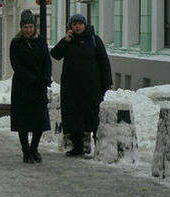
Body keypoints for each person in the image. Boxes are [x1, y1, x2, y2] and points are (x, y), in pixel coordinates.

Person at [50, 13, 112, 156]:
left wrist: (106, 82)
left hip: (91, 87)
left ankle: (99, 146)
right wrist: (65, 41)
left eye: (80, 23)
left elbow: (104, 61)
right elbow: (55, 54)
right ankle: (77, 147)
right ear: (70, 26)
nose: (77, 26)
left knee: (92, 116)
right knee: (73, 118)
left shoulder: (94, 40)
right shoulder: (68, 41)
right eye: (74, 24)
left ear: (85, 25)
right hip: (72, 88)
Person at [9, 10, 52, 163]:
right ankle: (25, 150)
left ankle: (34, 148)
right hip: (22, 86)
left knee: (39, 121)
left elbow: (47, 61)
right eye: (25, 26)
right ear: (21, 27)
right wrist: (30, 78)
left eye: (31, 26)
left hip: (39, 87)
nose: (28, 30)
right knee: (23, 122)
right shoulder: (16, 43)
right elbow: (16, 65)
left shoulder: (41, 42)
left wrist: (45, 78)